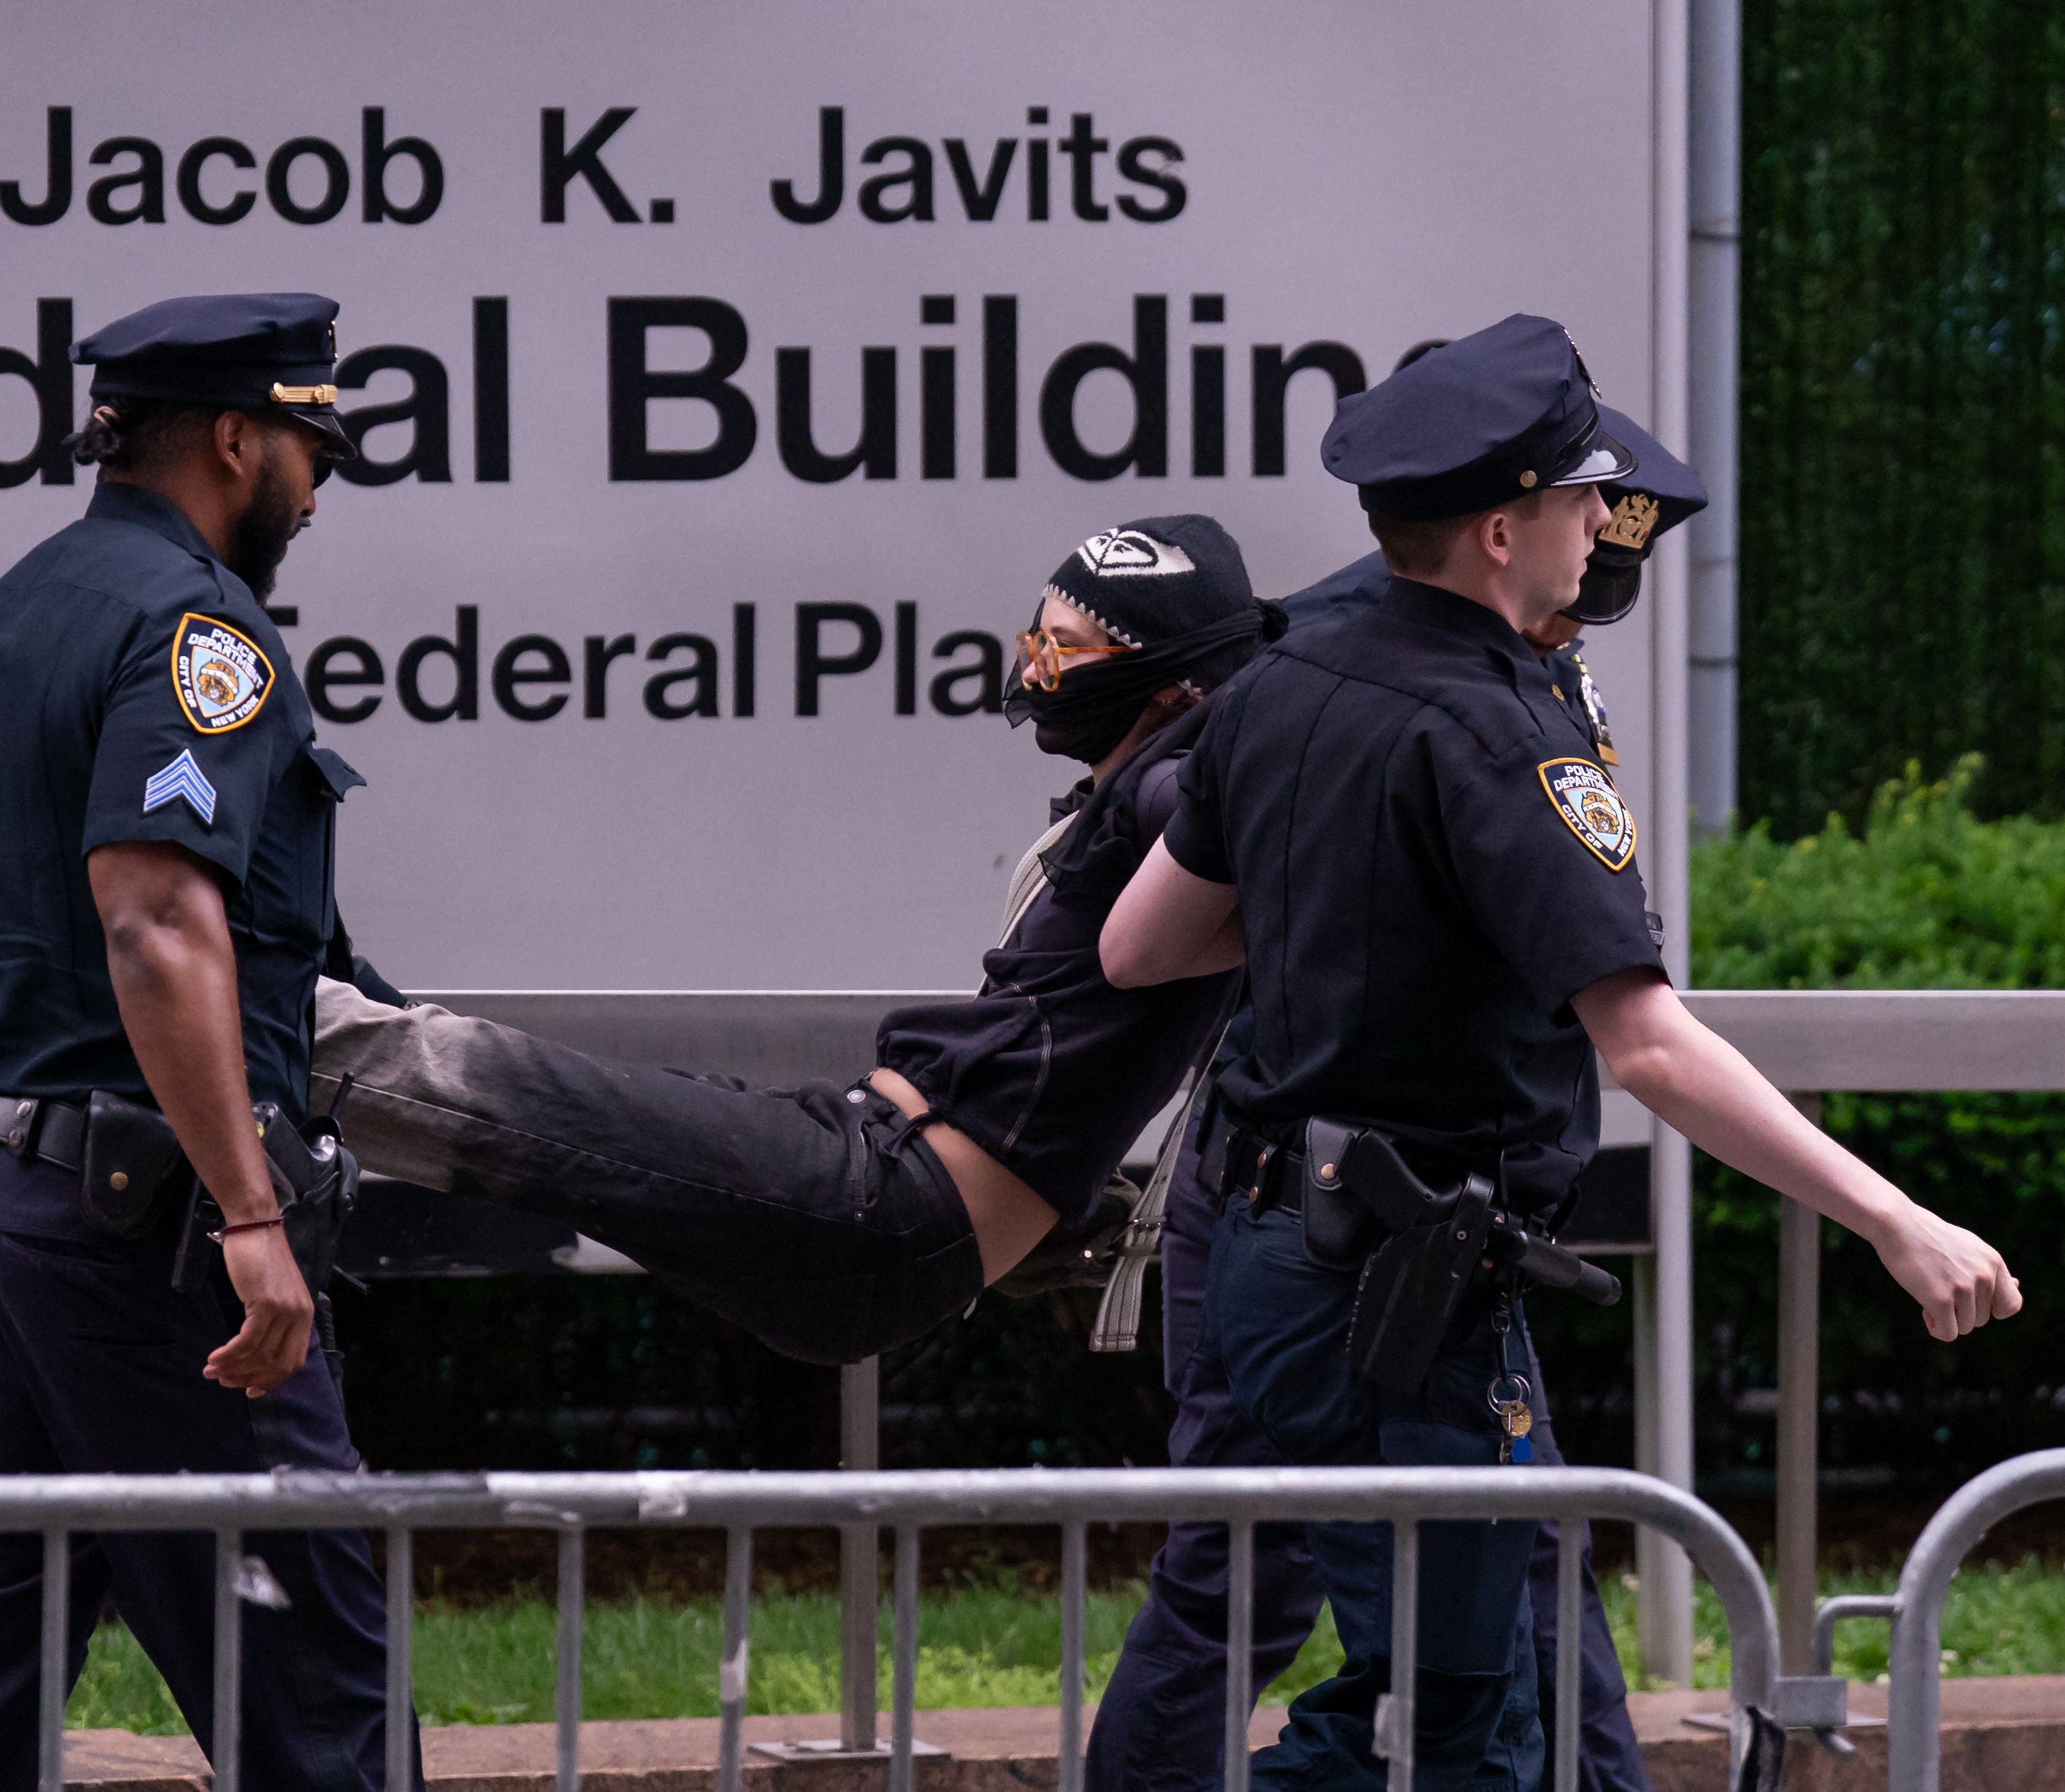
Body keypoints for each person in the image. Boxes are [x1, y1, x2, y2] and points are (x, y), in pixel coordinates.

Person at [1099, 314, 2020, 1791]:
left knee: (1452, 1691)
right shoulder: (1497, 736)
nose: (1603, 521)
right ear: (1498, 529)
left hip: (1274, 1258)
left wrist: (1365, 912)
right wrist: (1896, 1220)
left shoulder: (1279, 685)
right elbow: (1646, 1046)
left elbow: (1142, 947)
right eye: (1583, 496)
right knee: (1456, 1724)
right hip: (1397, 1289)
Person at [1084, 407, 1705, 1792]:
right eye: (1581, 563)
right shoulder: (1363, 665)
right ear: (1505, 534)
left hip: (1398, 1232)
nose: (1577, 614)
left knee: (1509, 1597)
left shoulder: (1501, 668)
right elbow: (1170, 879)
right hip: (1321, 1217)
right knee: (1275, 1593)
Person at [0, 291, 406, 1791]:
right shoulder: (198, 629)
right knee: (317, 1680)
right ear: (235, 439)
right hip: (146, 1231)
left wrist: (66, 991)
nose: (316, 489)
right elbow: (156, 915)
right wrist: (250, 1215)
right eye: (310, 450)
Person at [306, 515, 1280, 1365]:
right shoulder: (1140, 793)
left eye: (1064, 653)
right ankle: (276, 1031)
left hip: (881, 1211)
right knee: (534, 1115)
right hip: (870, 1170)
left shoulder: (1175, 795)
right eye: (1035, 640)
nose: (1034, 672)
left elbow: (1236, 804)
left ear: (1173, 690)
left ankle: (258, 1026)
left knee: (514, 1096)